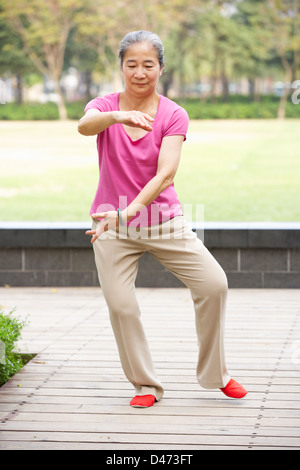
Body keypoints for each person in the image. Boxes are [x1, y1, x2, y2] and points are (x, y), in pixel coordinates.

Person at [78, 31, 247, 408]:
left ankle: (216, 374)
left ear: (161, 68)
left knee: (214, 284)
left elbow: (165, 174)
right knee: (121, 306)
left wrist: (128, 212)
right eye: (132, 64)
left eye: (148, 64)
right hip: (111, 224)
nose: (140, 72)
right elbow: (85, 126)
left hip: (160, 219)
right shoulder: (103, 106)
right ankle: (145, 386)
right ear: (121, 67)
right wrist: (118, 116)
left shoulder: (173, 114)